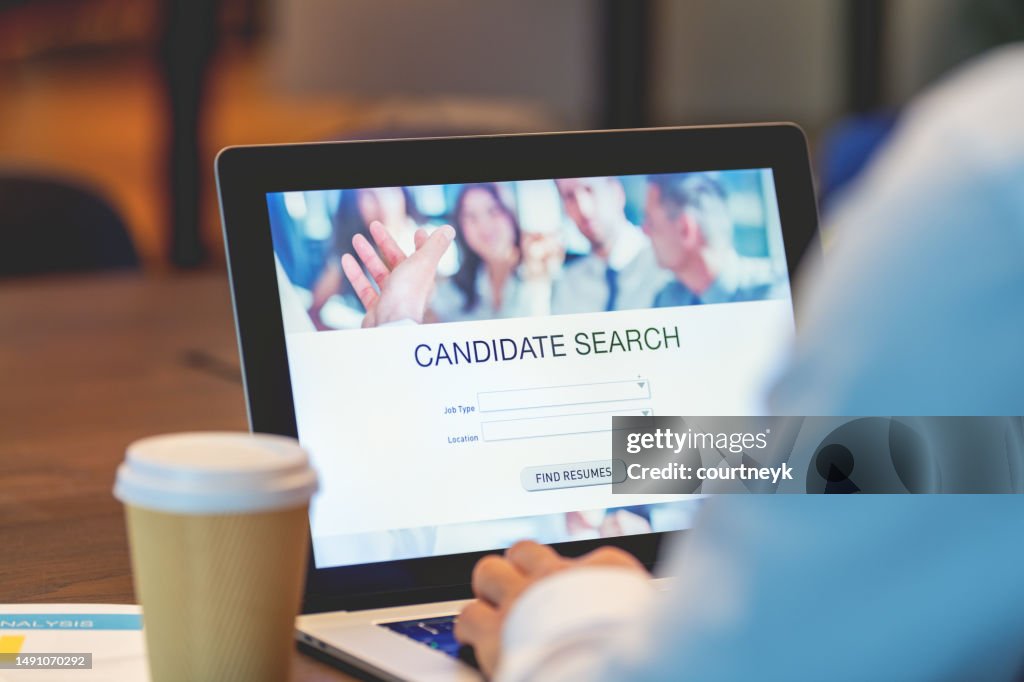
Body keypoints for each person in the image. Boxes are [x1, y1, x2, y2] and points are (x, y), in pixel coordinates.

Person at [450, 45, 1024, 680]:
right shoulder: (597, 287)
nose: (579, 208)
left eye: (588, 191)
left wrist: (566, 615)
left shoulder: (982, 176)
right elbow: (967, 455)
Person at [643, 173, 780, 307]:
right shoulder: (667, 300)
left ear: (685, 230)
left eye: (651, 222)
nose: (645, 231)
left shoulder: (775, 294)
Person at [431, 183, 561, 322]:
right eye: (470, 216)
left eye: (493, 211)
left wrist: (537, 281)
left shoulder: (545, 266)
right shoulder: (456, 288)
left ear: (510, 214)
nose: (483, 225)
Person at [552, 176, 668, 314]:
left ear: (616, 192)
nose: (584, 209)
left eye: (590, 190)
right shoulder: (567, 284)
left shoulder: (666, 265)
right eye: (569, 197)